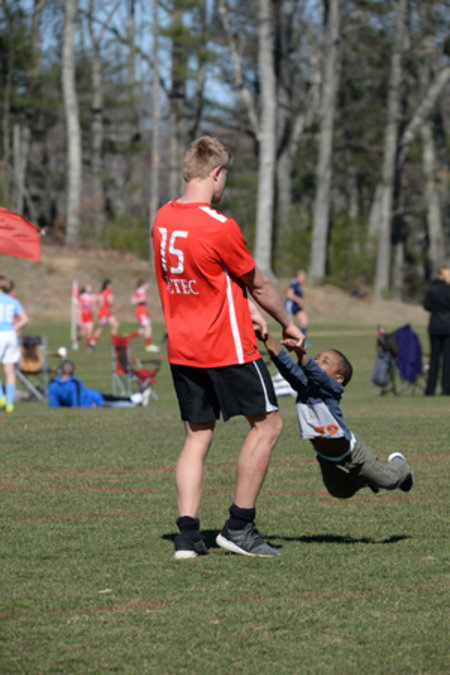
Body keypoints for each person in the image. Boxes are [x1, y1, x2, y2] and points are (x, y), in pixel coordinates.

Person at [152, 135, 304, 560]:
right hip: (225, 347)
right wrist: (288, 322)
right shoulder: (219, 225)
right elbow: (259, 283)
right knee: (269, 425)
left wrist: (243, 307)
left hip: (182, 347)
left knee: (197, 436)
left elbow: (205, 277)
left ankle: (187, 536)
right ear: (216, 173)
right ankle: (239, 526)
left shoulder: (163, 217)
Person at [263, 331, 414, 498]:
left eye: (325, 361)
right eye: (317, 357)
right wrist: (265, 336)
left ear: (338, 378)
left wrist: (301, 353)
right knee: (341, 492)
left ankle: (400, 463)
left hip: (353, 454)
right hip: (327, 459)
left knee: (390, 480)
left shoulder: (332, 389)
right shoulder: (304, 386)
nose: (316, 361)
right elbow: (285, 364)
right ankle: (365, 480)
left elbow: (316, 374)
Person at [48, 360, 151, 408]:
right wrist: (90, 406)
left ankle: (138, 398)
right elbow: (76, 405)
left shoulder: (53, 383)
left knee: (115, 400)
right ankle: (138, 398)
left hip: (94, 397)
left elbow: (54, 405)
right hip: (94, 399)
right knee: (115, 401)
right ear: (73, 371)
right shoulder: (74, 382)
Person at [0, 276, 28, 413]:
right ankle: (10, 404)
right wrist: (14, 328)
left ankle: (1, 397)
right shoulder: (13, 301)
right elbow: (25, 319)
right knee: (9, 370)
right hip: (11, 335)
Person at [423, 266, 450, 396]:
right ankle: (446, 389)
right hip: (448, 326)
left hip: (434, 326)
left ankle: (430, 389)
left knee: (434, 358)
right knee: (447, 359)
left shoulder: (432, 288)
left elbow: (426, 305)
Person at [131, 279, 160, 353]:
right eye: (147, 284)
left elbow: (145, 300)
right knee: (148, 327)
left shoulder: (144, 292)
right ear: (143, 284)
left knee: (143, 330)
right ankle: (149, 346)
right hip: (141, 313)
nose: (148, 286)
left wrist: (147, 299)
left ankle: (126, 339)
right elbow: (133, 301)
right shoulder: (139, 291)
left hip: (144, 312)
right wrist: (140, 300)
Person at [89, 279, 119, 349]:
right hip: (106, 313)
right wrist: (115, 304)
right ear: (107, 285)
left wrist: (95, 310)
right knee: (103, 328)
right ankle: (113, 342)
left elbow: (94, 302)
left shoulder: (100, 293)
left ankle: (93, 342)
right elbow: (110, 302)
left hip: (103, 313)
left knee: (113, 325)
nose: (111, 286)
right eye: (110, 284)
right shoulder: (108, 292)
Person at [285, 270, 309, 335]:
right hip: (291, 306)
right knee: (290, 324)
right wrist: (298, 300)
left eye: (304, 277)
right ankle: (289, 338)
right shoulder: (293, 284)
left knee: (304, 321)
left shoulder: (298, 284)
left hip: (297, 306)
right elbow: (289, 295)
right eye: (302, 277)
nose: (304, 279)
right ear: (297, 276)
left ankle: (302, 338)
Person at [77, 284, 97, 350]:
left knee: (89, 332)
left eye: (90, 287)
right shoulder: (82, 297)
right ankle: (77, 340)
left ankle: (88, 347)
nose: (90, 289)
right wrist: (79, 318)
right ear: (85, 289)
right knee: (82, 333)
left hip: (89, 316)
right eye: (88, 287)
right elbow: (79, 308)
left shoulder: (93, 297)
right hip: (83, 316)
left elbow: (93, 306)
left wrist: (94, 313)